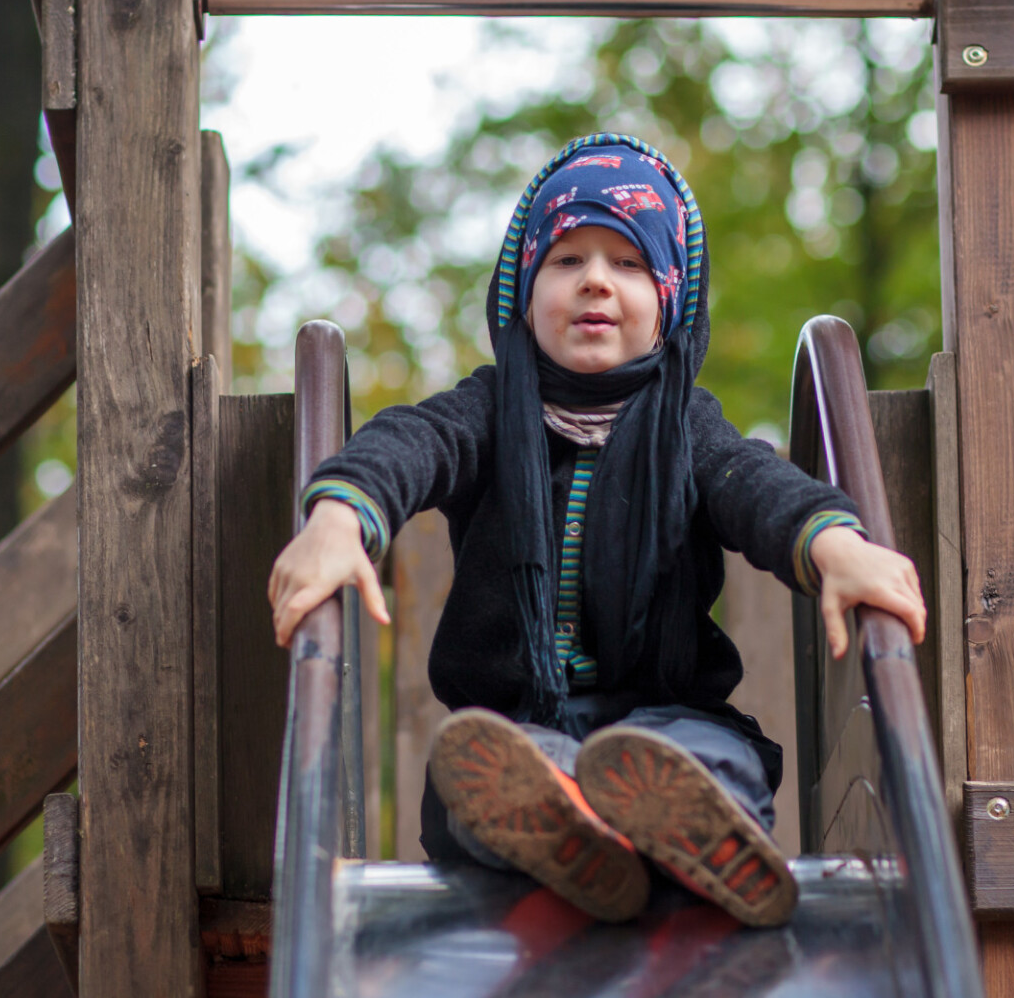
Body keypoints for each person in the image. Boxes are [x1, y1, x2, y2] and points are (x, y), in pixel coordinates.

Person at [268, 132, 925, 928]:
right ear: (523, 292)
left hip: (667, 715)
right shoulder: (487, 410)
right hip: (521, 726)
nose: (596, 284)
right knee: (477, 774)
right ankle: (567, 821)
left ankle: (674, 818)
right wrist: (340, 518)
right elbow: (409, 444)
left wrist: (836, 545)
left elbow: (755, 487)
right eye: (568, 260)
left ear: (670, 299)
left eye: (628, 263)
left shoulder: (685, 424)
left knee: (716, 757)